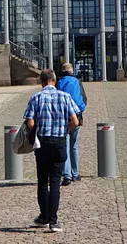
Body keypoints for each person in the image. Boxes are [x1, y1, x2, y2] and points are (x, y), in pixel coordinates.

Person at [24, 68, 80, 233]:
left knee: (42, 181)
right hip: (59, 142)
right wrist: (65, 130)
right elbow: (75, 121)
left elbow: (29, 121)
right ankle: (53, 221)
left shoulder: (36, 97)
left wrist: (36, 132)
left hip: (42, 142)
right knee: (55, 182)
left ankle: (43, 216)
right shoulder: (65, 97)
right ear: (54, 81)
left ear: (42, 82)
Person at [56, 63, 87, 186]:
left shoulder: (59, 82)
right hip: (76, 117)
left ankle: (67, 175)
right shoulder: (77, 82)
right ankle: (75, 173)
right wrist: (78, 112)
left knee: (65, 146)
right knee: (74, 147)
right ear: (72, 70)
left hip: (63, 118)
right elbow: (84, 99)